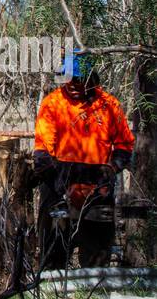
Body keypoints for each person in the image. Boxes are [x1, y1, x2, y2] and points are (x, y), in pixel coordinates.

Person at [34, 52, 134, 269]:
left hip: (98, 185)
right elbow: (42, 154)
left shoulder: (109, 105)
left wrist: (111, 168)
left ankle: (97, 294)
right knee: (53, 251)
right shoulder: (52, 104)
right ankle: (50, 292)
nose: (72, 83)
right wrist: (62, 187)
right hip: (58, 182)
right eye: (68, 77)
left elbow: (125, 145)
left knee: (97, 253)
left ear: (91, 78)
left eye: (78, 78)